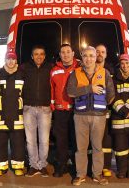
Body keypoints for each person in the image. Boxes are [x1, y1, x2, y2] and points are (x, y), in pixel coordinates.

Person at [67, 46, 115, 186]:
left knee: (97, 147)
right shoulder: (75, 73)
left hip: (99, 116)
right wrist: (90, 89)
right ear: (82, 57)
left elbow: (111, 94)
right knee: (81, 148)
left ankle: (97, 174)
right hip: (80, 116)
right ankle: (80, 174)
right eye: (86, 56)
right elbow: (70, 92)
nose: (89, 59)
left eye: (91, 56)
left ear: (96, 57)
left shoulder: (104, 72)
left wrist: (101, 107)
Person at [20, 45, 53, 177]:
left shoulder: (50, 68)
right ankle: (33, 166)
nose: (39, 56)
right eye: (36, 54)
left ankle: (42, 165)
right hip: (28, 108)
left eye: (41, 54)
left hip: (45, 108)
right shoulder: (24, 68)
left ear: (44, 56)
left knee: (44, 140)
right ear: (32, 56)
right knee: (30, 140)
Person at [0, 52, 26, 177]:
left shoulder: (22, 74)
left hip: (18, 115)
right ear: (5, 60)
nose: (11, 61)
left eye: (13, 59)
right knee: (0, 142)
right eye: (8, 59)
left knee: (17, 142)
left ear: (16, 61)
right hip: (1, 115)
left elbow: (25, 94)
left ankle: (18, 166)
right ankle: (1, 167)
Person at [50, 44, 79, 177]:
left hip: (75, 110)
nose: (66, 54)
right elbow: (51, 88)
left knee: (75, 140)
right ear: (60, 55)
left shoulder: (79, 68)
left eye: (68, 52)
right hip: (60, 111)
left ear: (73, 53)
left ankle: (76, 167)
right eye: (63, 52)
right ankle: (61, 166)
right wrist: (52, 105)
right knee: (60, 140)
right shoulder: (54, 70)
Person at [95, 44, 114, 178]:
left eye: (103, 52)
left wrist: (107, 105)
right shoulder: (88, 68)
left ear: (106, 54)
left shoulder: (111, 70)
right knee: (93, 141)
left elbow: (113, 91)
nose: (100, 54)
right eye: (97, 52)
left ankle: (106, 166)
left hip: (106, 110)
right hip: (91, 111)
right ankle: (94, 166)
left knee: (106, 140)